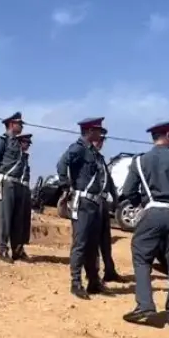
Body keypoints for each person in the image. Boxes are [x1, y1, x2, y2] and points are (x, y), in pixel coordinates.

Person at [119, 120, 169, 329]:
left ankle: (145, 305)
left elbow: (128, 191)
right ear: (168, 135)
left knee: (141, 256)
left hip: (152, 213)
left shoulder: (140, 161)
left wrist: (141, 203)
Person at [56, 117, 111, 299]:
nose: (100, 133)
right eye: (97, 130)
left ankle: (93, 281)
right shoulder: (78, 148)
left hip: (94, 203)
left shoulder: (93, 153)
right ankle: (76, 282)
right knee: (80, 243)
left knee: (93, 245)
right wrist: (65, 185)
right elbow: (62, 164)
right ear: (89, 131)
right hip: (83, 203)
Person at [0, 112, 28, 263]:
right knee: (5, 217)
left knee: (17, 219)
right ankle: (2, 249)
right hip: (6, 183)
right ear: (11, 124)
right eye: (19, 123)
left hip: (18, 184)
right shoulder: (2, 141)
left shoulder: (18, 143)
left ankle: (17, 250)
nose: (22, 126)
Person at [92, 135, 121, 282]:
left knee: (105, 240)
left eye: (102, 141)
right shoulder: (87, 157)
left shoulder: (101, 159)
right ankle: (94, 273)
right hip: (92, 202)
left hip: (103, 202)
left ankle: (109, 271)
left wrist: (115, 199)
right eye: (98, 140)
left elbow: (108, 180)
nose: (100, 143)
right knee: (93, 240)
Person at [16, 133, 34, 261]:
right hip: (18, 189)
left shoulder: (25, 157)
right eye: (25, 142)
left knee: (25, 221)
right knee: (17, 221)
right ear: (20, 143)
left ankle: (21, 247)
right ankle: (15, 248)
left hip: (25, 190)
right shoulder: (15, 156)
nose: (27, 145)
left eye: (28, 143)